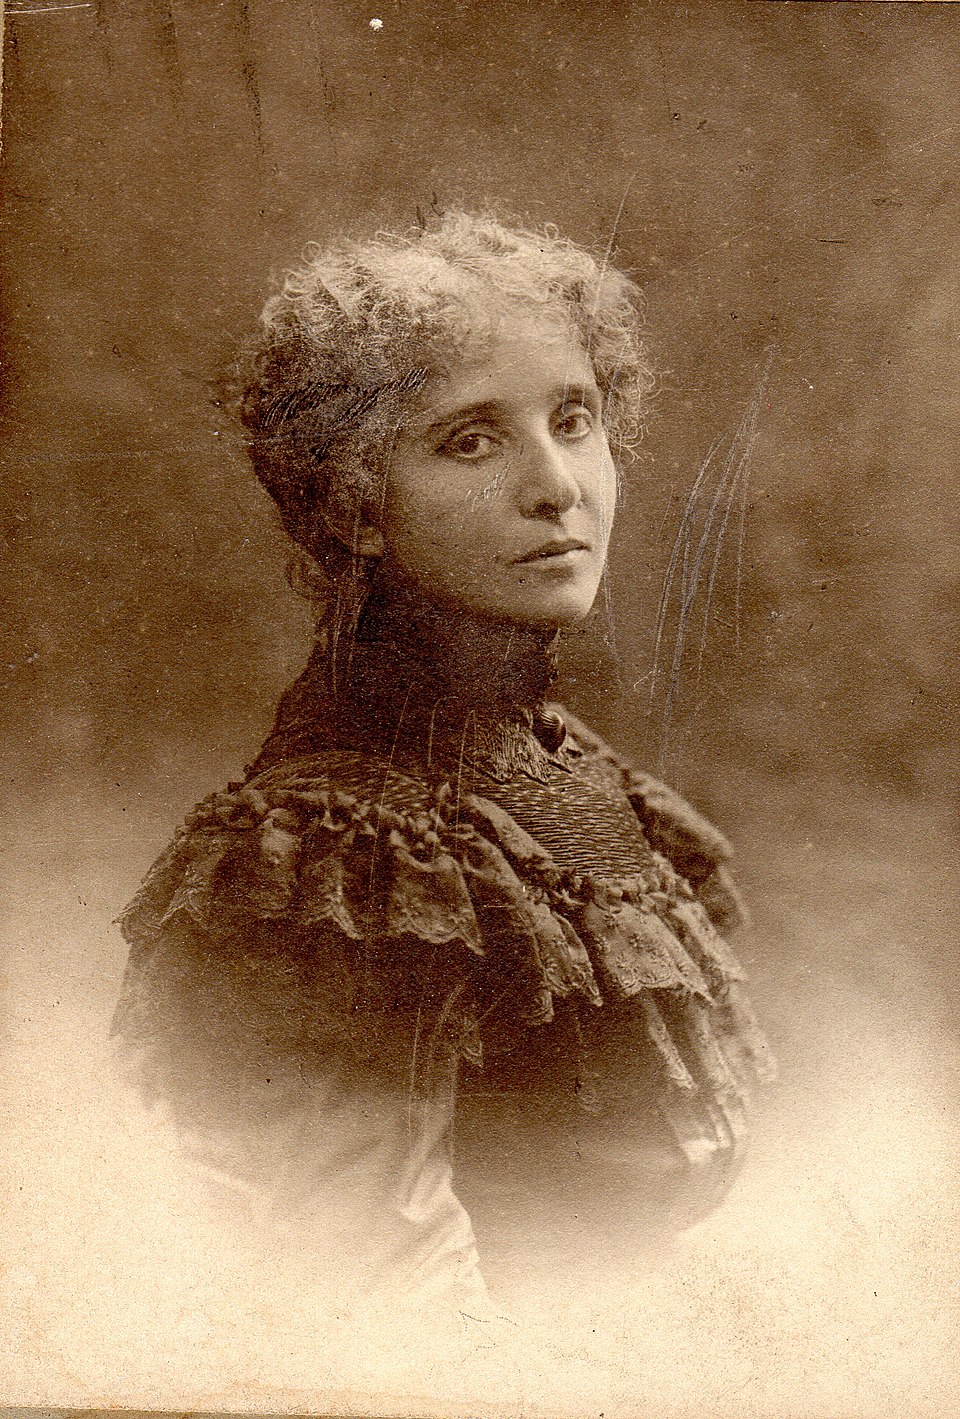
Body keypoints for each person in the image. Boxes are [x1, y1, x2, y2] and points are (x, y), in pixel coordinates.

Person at [112, 210, 774, 1317]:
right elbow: (380, 1299)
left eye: (574, 419)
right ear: (355, 506)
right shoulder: (343, 855)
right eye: (471, 441)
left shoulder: (580, 779)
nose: (557, 485)